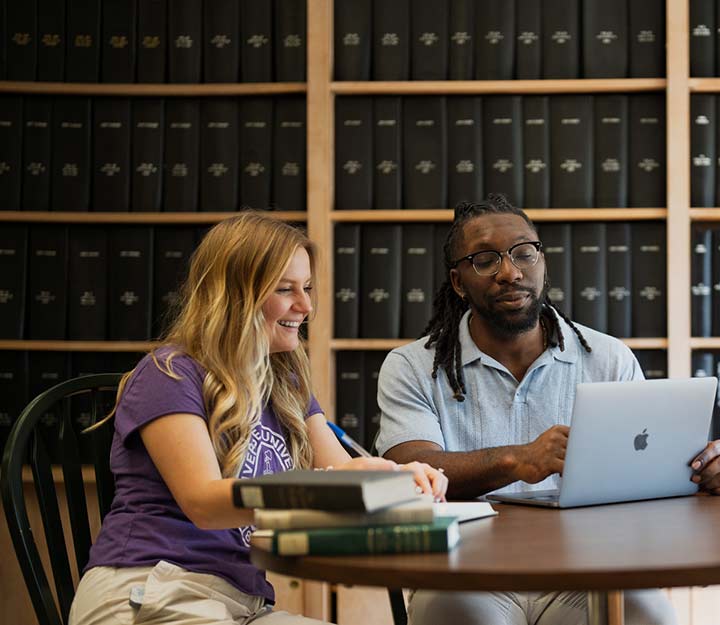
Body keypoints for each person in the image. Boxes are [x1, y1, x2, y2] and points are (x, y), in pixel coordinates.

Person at [375, 195, 720, 625]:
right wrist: (518, 459)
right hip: (463, 573)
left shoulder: (608, 358)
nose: (510, 272)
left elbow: (647, 477)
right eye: (486, 260)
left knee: (652, 615)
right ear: (458, 282)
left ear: (542, 262)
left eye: (523, 253)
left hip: (588, 570)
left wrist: (707, 471)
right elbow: (409, 473)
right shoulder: (413, 366)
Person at [69, 213, 447, 625]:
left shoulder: (283, 382)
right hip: (151, 591)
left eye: (306, 288)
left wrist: (396, 477)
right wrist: (326, 491)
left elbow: (339, 469)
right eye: (285, 290)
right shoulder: (170, 373)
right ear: (232, 296)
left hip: (242, 604)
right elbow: (203, 503)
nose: (305, 306)